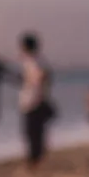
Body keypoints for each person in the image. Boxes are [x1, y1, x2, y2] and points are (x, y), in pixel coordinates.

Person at [18, 32, 55, 169]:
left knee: (32, 133)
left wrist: (34, 83)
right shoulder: (38, 60)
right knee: (36, 133)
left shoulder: (33, 61)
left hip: (33, 101)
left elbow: (43, 76)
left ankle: (34, 161)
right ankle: (36, 159)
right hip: (34, 101)